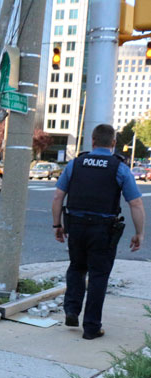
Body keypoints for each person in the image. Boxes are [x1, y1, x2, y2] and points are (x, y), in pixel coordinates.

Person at [51, 124, 146, 340]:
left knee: (76, 267)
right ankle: (91, 327)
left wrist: (57, 225)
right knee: (98, 275)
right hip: (103, 229)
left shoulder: (75, 164)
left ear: (92, 141)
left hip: (75, 226)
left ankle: (72, 310)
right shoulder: (119, 167)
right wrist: (139, 233)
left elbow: (58, 196)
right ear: (113, 143)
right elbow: (136, 203)